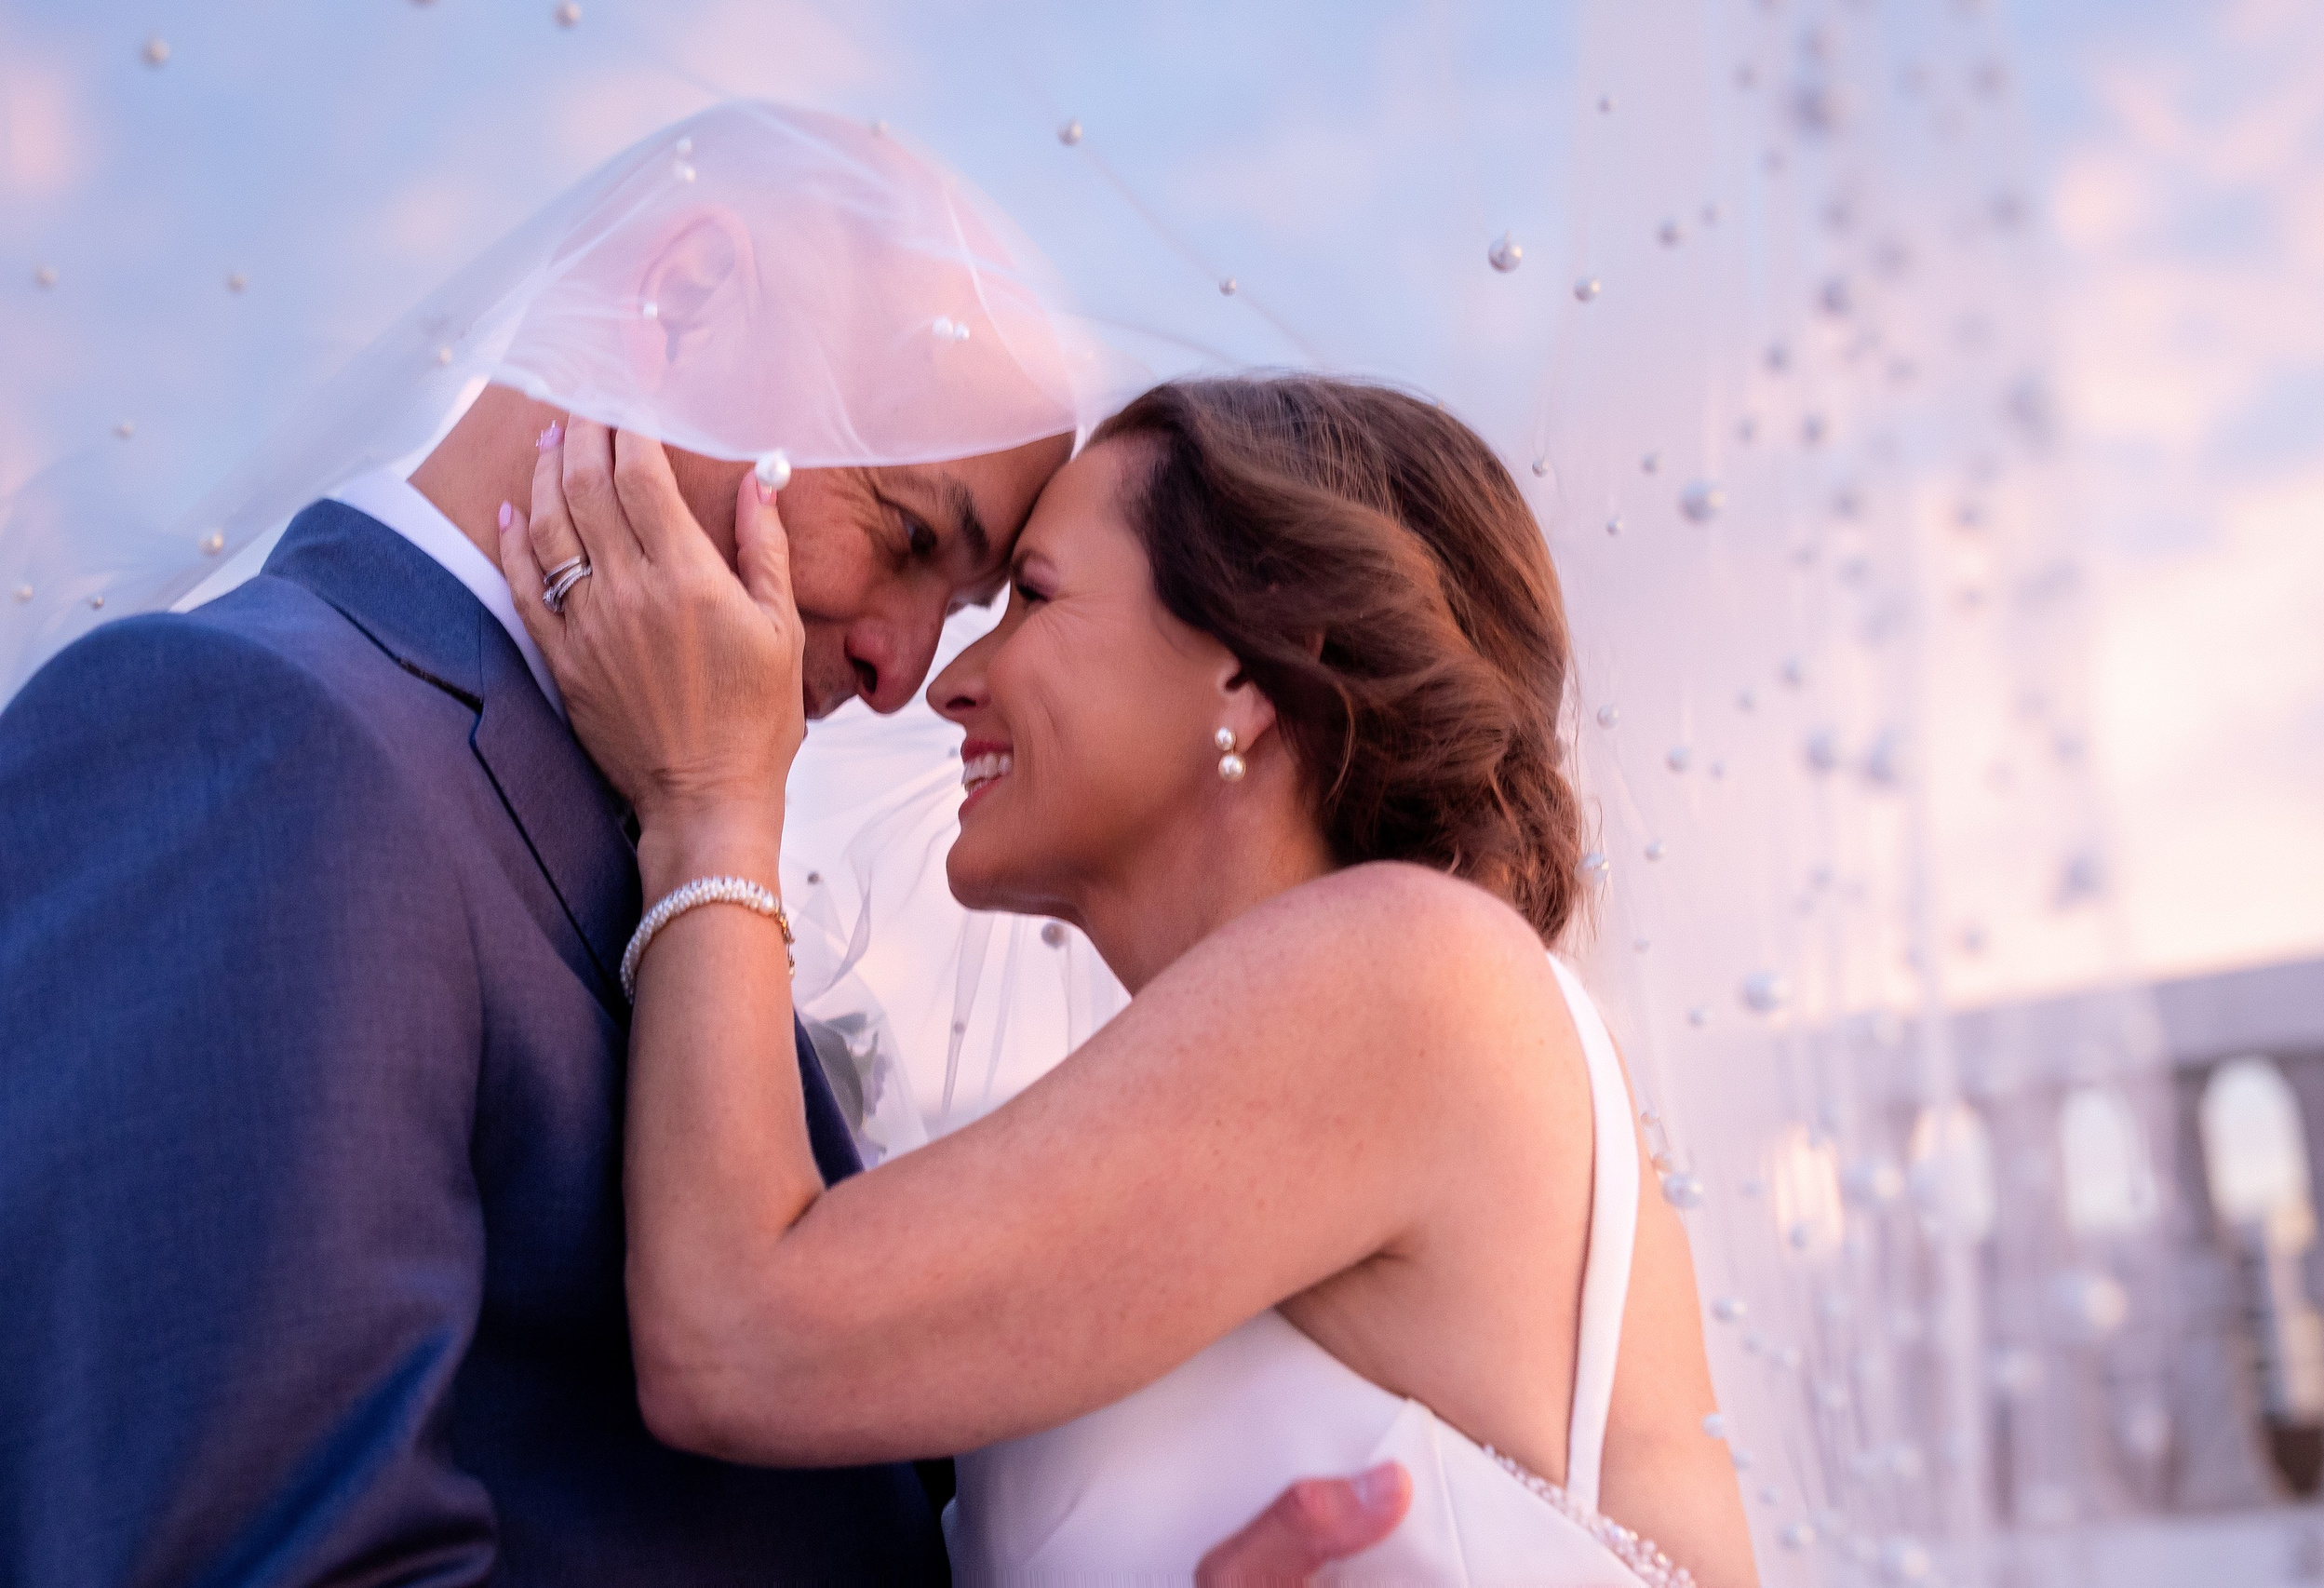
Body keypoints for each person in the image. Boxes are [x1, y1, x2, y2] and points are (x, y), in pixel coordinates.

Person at [0, 106, 1396, 1584]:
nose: (903, 671)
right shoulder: (258, 737)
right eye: (912, 534)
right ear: (680, 301)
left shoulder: (659, 853)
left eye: (979, 599)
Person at [505, 376, 1763, 1582]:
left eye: (1035, 597)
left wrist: (711, 800)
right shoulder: (1248, 1102)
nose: (951, 681)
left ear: (1253, 668)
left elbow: (737, 1338)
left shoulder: (1424, 970)